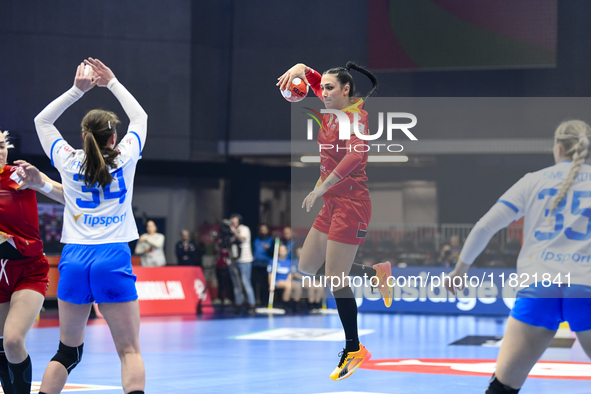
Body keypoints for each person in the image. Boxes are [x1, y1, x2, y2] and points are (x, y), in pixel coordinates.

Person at [445, 120, 591, 394]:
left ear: (558, 148)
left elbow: (485, 226)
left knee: (502, 387)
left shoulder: (533, 181)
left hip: (539, 287)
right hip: (587, 287)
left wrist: (460, 270)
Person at [33, 58, 147, 394]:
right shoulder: (126, 156)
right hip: (112, 256)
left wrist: (75, 91)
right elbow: (140, 118)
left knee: (67, 352)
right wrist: (111, 81)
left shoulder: (67, 160)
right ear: (114, 136)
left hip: (74, 259)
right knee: (129, 351)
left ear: (83, 137)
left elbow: (42, 121)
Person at [277, 62, 393, 380]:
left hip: (352, 205)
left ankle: (354, 348)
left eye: (330, 88)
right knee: (306, 266)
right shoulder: (332, 105)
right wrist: (301, 68)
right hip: (331, 204)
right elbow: (314, 80)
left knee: (335, 279)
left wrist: (321, 187)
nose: (322, 93)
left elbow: (355, 155)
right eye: (322, 88)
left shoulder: (356, 118)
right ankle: (374, 272)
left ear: (346, 90)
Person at [0, 131, 63, 394]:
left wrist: (41, 184)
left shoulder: (18, 175)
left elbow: (68, 196)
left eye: (1, 146)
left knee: (13, 340)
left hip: (28, 269)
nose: (0, 151)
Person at [228, 214, 256, 314]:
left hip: (245, 260)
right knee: (236, 284)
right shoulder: (229, 232)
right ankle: (238, 304)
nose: (233, 224)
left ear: (239, 222)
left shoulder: (244, 229)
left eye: (234, 221)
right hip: (234, 260)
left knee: (245, 282)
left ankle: (251, 304)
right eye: (231, 221)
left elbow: (242, 239)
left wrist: (234, 231)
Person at [252, 224, 273, 306]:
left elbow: (273, 253)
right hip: (256, 265)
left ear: (267, 231)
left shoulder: (270, 240)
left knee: (265, 284)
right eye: (261, 230)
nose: (262, 231)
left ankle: (265, 302)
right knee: (256, 284)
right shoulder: (256, 240)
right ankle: (256, 301)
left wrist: (268, 249)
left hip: (266, 265)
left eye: (264, 230)